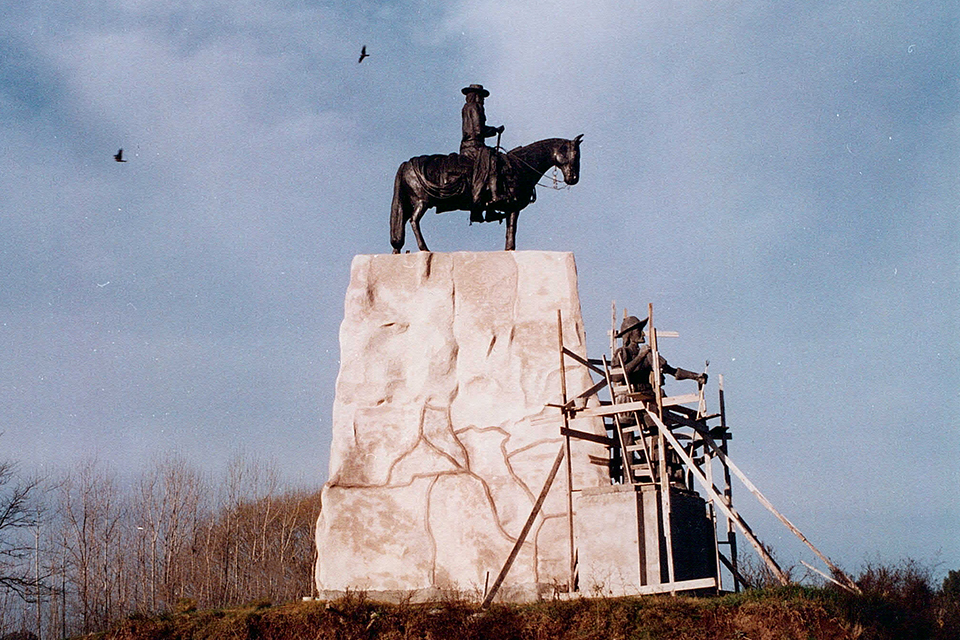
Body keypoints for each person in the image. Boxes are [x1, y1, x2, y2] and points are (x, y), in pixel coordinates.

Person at [614, 316, 707, 396]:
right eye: (639, 330)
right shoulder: (622, 352)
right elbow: (616, 377)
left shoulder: (648, 354)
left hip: (647, 394)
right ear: (629, 334)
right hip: (629, 396)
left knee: (661, 406)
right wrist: (640, 357)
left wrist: (695, 376)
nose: (643, 334)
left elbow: (671, 371)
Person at [460, 84, 505, 223]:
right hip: (474, 146)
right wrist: (495, 130)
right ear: (476, 96)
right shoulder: (475, 108)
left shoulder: (466, 108)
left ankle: (485, 209)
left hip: (466, 146)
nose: (483, 100)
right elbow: (479, 130)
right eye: (481, 96)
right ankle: (494, 197)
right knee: (492, 161)